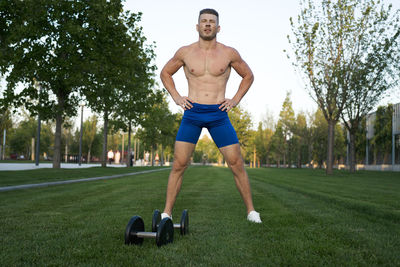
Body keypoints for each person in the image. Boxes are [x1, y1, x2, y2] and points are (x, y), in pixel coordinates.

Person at [160, 8, 261, 223]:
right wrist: (177, 97)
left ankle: (252, 212)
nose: (207, 24)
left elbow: (248, 76)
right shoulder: (185, 52)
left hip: (218, 114)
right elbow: (165, 73)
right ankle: (166, 214)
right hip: (192, 112)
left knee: (236, 163)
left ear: (218, 27)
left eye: (211, 22)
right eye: (204, 21)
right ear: (197, 26)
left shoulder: (229, 53)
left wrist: (235, 100)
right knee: (179, 164)